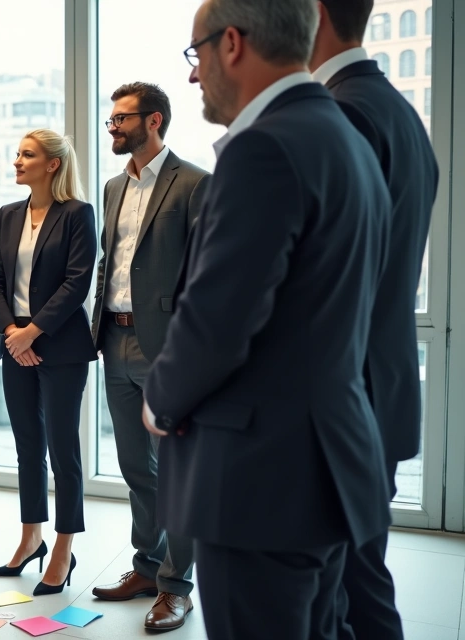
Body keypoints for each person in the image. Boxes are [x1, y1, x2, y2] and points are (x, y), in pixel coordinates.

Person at [143, 0, 392, 637]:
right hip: (331, 464)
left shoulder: (264, 150)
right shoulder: (347, 138)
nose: (194, 75)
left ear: (232, 44)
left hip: (263, 483)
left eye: (195, 53)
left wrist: (160, 401)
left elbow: (217, 322)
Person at [310, 1, 440, 637]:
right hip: (374, 390)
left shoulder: (341, 113)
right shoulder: (398, 112)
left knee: (348, 594)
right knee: (358, 582)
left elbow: (321, 287)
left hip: (338, 403)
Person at [88, 82, 209, 632]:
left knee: (178, 472)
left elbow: (206, 275)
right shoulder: (114, 187)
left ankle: (176, 586)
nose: (111, 127)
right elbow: (110, 263)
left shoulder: (195, 184)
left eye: (121, 119)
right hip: (114, 340)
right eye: (110, 119)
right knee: (137, 467)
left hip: (168, 347)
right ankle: (145, 566)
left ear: (153, 120)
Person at [0, 130, 95, 596]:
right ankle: (32, 537)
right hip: (16, 342)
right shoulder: (9, 215)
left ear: (52, 165)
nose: (17, 161)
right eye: (18, 153)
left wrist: (35, 331)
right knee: (28, 446)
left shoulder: (77, 214)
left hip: (61, 342)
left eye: (26, 155)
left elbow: (77, 282)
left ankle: (64, 549)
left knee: (63, 449)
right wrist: (13, 332)